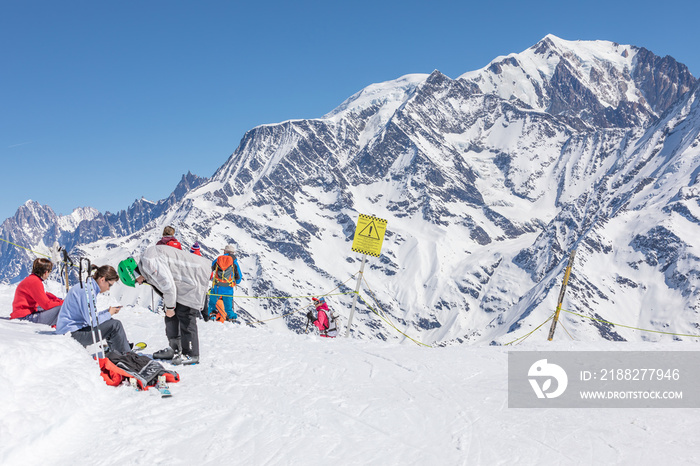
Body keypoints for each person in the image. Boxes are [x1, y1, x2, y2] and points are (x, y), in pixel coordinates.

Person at [118, 244, 211, 365]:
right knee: (170, 314)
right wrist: (170, 308)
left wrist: (171, 307)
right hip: (183, 281)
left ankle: (191, 354)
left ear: (133, 272)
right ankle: (175, 348)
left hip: (193, 278)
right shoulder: (146, 264)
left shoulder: (149, 263)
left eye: (136, 281)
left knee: (185, 314)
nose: (139, 283)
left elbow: (168, 287)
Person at [55, 265, 131, 354]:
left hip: (71, 330)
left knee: (109, 321)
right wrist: (109, 313)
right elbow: (92, 321)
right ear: (102, 279)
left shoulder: (86, 287)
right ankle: (126, 356)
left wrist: (107, 312)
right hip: (71, 334)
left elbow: (90, 316)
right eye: (109, 285)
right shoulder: (87, 292)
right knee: (115, 325)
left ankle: (119, 348)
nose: (108, 289)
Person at [11, 258, 64, 326]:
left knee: (55, 305)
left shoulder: (31, 279)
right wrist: (63, 303)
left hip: (21, 314)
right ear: (46, 272)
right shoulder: (35, 282)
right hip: (25, 318)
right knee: (61, 308)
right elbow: (46, 305)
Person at [208, 244, 243, 322]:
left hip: (217, 286)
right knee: (228, 306)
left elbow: (210, 268)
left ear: (225, 251)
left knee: (212, 302)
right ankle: (231, 317)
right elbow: (239, 277)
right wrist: (234, 282)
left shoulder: (218, 259)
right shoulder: (234, 262)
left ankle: (211, 313)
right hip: (228, 287)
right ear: (232, 253)